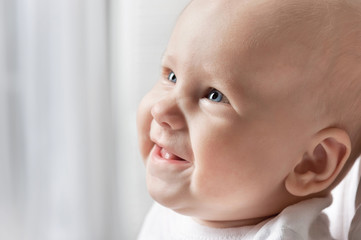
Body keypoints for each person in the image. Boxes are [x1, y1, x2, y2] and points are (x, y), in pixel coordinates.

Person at [136, 0, 361, 239]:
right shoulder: (187, 208)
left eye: (214, 95)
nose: (161, 110)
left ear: (311, 162)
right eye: (171, 76)